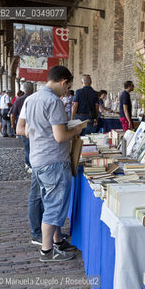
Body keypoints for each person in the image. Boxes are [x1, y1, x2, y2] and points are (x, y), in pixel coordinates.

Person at [16, 65, 83, 262]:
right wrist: (76, 130)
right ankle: (47, 251)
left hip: (38, 158)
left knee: (48, 202)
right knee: (54, 206)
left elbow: (27, 129)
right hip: (53, 160)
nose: (67, 92)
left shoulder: (33, 98)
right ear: (63, 82)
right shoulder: (53, 101)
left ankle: (56, 240)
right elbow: (60, 136)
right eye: (68, 87)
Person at [11, 82, 35, 172]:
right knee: (32, 147)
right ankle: (30, 164)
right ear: (32, 89)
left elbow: (13, 114)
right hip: (33, 127)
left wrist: (13, 125)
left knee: (27, 146)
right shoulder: (34, 99)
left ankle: (27, 163)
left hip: (23, 127)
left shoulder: (18, 100)